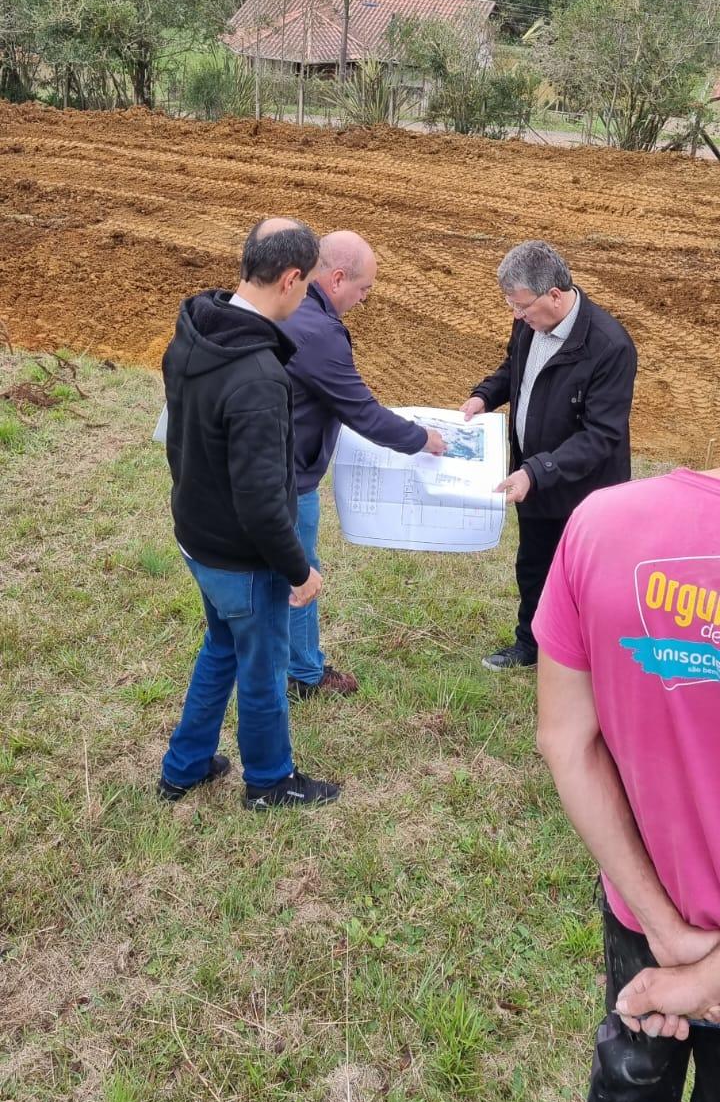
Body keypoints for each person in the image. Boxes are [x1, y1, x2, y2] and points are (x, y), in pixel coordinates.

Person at [534, 463, 720, 1102]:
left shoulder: (600, 524)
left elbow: (567, 741)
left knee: (628, 1093)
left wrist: (673, 941)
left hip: (647, 919)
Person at [157, 217, 341, 810]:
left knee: (221, 646)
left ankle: (184, 767)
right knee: (262, 671)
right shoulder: (259, 376)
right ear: (289, 279)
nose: (308, 294)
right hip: (242, 558)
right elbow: (264, 504)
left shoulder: (193, 332)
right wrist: (298, 570)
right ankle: (269, 781)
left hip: (198, 539)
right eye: (308, 283)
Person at [283, 230, 447, 696]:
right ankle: (304, 674)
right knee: (300, 573)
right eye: (364, 290)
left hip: (264, 466)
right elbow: (362, 411)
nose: (364, 300)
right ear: (337, 279)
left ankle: (291, 665)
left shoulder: (289, 305)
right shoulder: (318, 331)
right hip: (289, 480)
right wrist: (423, 438)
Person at [462, 239, 636, 669]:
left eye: (521, 306)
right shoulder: (529, 323)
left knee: (586, 579)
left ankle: (592, 658)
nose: (516, 316)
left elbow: (601, 435)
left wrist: (537, 471)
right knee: (534, 565)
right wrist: (484, 397)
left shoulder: (610, 347)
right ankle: (531, 645)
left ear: (554, 295)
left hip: (587, 491)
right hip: (534, 480)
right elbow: (514, 371)